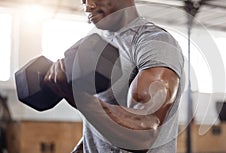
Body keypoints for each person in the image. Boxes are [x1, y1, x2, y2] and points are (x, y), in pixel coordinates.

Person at [44, 0, 184, 152]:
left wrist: (82, 100)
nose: (88, 6)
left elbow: (144, 135)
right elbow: (100, 128)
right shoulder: (97, 45)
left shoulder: (153, 42)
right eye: (83, 0)